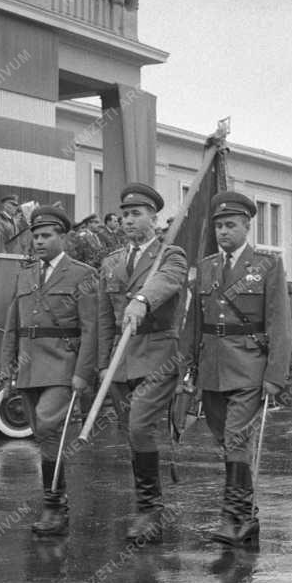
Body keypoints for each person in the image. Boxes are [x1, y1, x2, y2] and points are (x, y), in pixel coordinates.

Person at [186, 191, 292, 547]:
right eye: (218, 225)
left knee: (235, 437)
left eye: (230, 224)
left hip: (249, 367)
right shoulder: (206, 267)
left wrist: (275, 376)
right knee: (227, 441)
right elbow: (194, 322)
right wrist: (188, 367)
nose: (223, 231)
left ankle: (233, 517)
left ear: (248, 226)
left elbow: (280, 324)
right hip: (212, 368)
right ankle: (247, 514)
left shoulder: (267, 265)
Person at [97, 183, 188, 541]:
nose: (128, 220)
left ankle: (151, 512)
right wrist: (104, 363)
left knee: (138, 425)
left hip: (157, 354)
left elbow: (167, 282)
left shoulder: (171, 255)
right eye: (124, 214)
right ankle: (146, 504)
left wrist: (141, 300)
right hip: (121, 360)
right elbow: (105, 317)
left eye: (136, 214)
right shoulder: (111, 262)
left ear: (154, 217)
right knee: (133, 434)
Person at [1, 206, 97, 537]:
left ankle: (54, 507)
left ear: (63, 237)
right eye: (36, 236)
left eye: (47, 236)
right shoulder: (25, 274)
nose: (39, 241)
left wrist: (83, 374)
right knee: (42, 432)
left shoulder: (82, 275)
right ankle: (56, 504)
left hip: (62, 366)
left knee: (47, 422)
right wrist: (7, 365)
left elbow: (90, 330)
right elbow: (13, 325)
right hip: (29, 368)